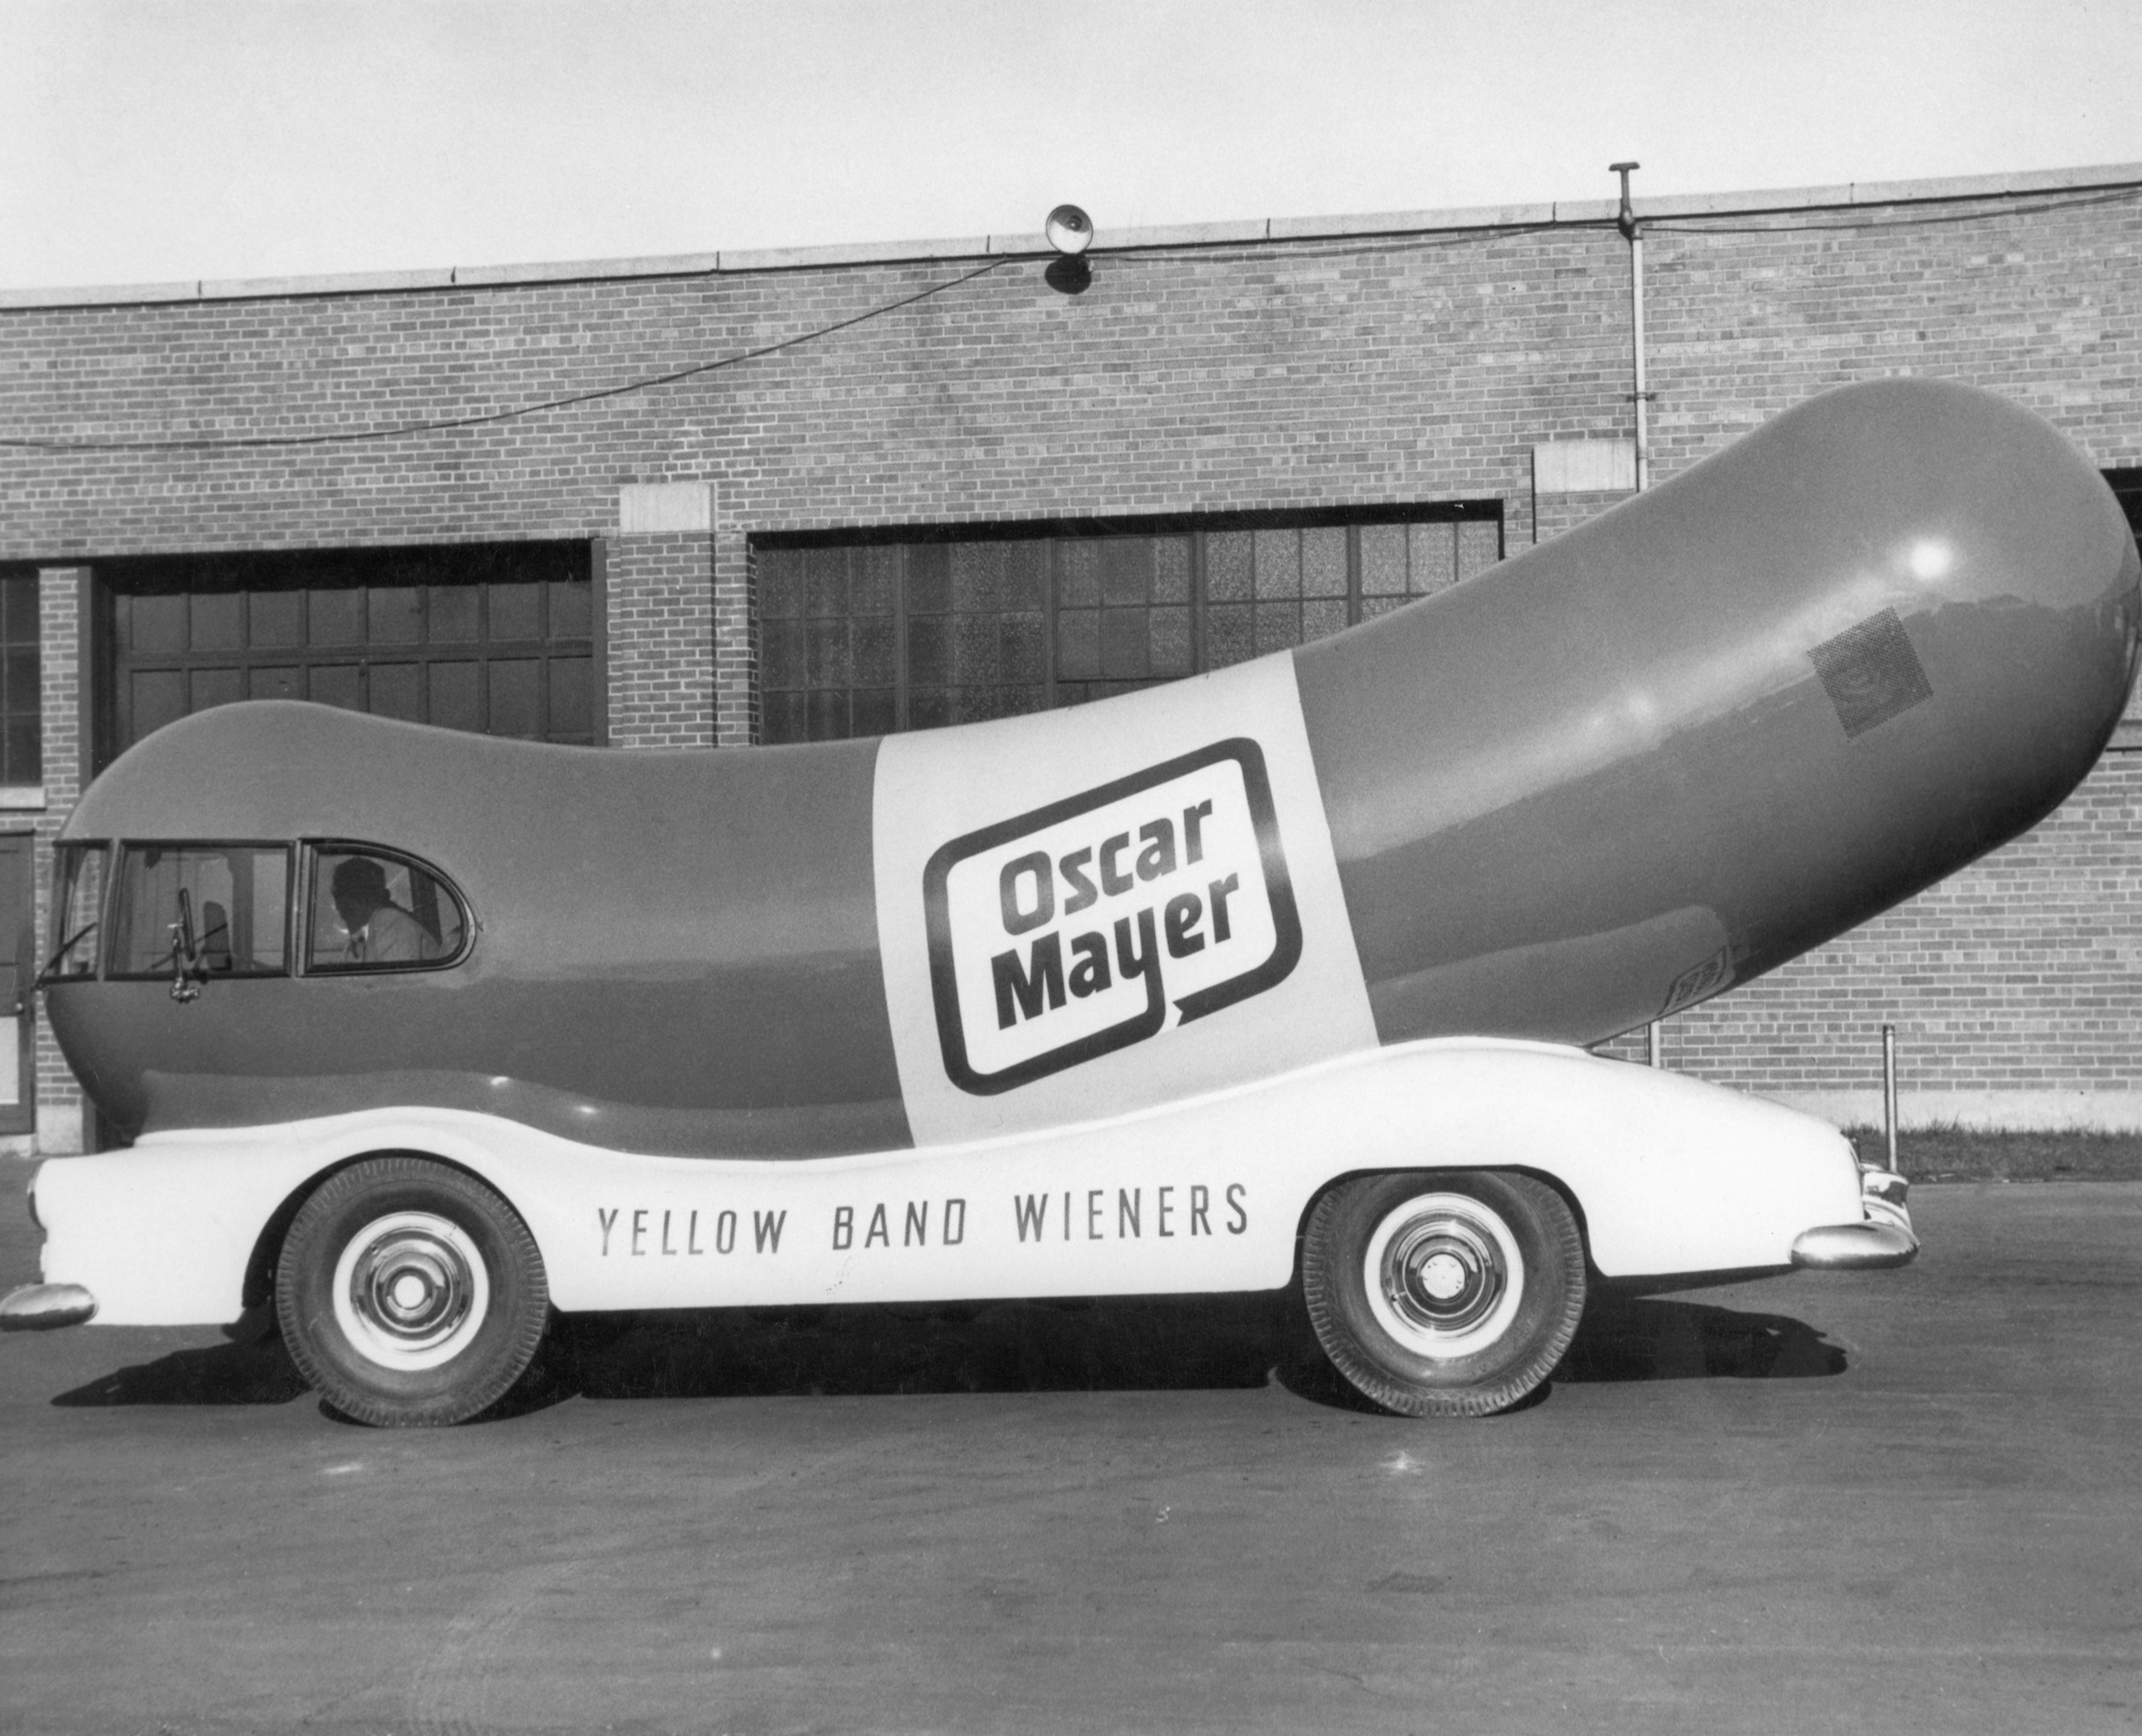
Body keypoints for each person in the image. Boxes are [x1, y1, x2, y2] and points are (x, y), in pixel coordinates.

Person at [329, 855, 435, 965]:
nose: (341, 913)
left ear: (365, 898)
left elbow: (397, 980)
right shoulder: (359, 941)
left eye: (348, 908)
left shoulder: (390, 923)